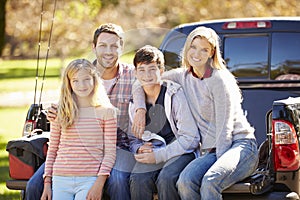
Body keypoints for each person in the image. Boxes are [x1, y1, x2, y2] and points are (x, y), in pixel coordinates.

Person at [132, 26, 259, 200]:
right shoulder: (182, 76)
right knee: (184, 182)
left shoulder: (219, 80)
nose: (197, 54)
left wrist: (217, 166)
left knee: (210, 181)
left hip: (239, 146)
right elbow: (144, 82)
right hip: (211, 151)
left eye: (204, 49)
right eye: (193, 47)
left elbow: (225, 129)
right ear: (187, 48)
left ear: (212, 53)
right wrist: (140, 108)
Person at [26, 23, 146, 200]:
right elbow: (66, 101)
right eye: (103, 45)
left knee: (118, 180)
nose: (108, 51)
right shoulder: (82, 73)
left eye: (114, 46)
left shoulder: (133, 74)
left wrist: (141, 109)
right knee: (34, 185)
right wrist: (55, 111)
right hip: (79, 149)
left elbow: (156, 82)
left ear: (122, 48)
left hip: (119, 145)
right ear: (94, 47)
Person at [128, 45, 200, 200]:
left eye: (152, 69)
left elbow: (191, 139)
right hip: (154, 150)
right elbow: (133, 138)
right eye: (142, 70)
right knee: (138, 179)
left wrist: (159, 156)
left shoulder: (175, 95)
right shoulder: (135, 104)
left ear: (161, 70)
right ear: (135, 73)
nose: (147, 75)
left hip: (181, 151)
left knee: (166, 179)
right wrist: (139, 148)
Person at [41, 59, 117, 200]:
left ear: (94, 80)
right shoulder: (61, 111)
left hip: (90, 179)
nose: (81, 85)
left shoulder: (107, 112)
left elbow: (110, 153)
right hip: (61, 178)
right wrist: (47, 183)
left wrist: (99, 184)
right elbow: (53, 149)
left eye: (86, 79)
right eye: (75, 80)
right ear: (69, 83)